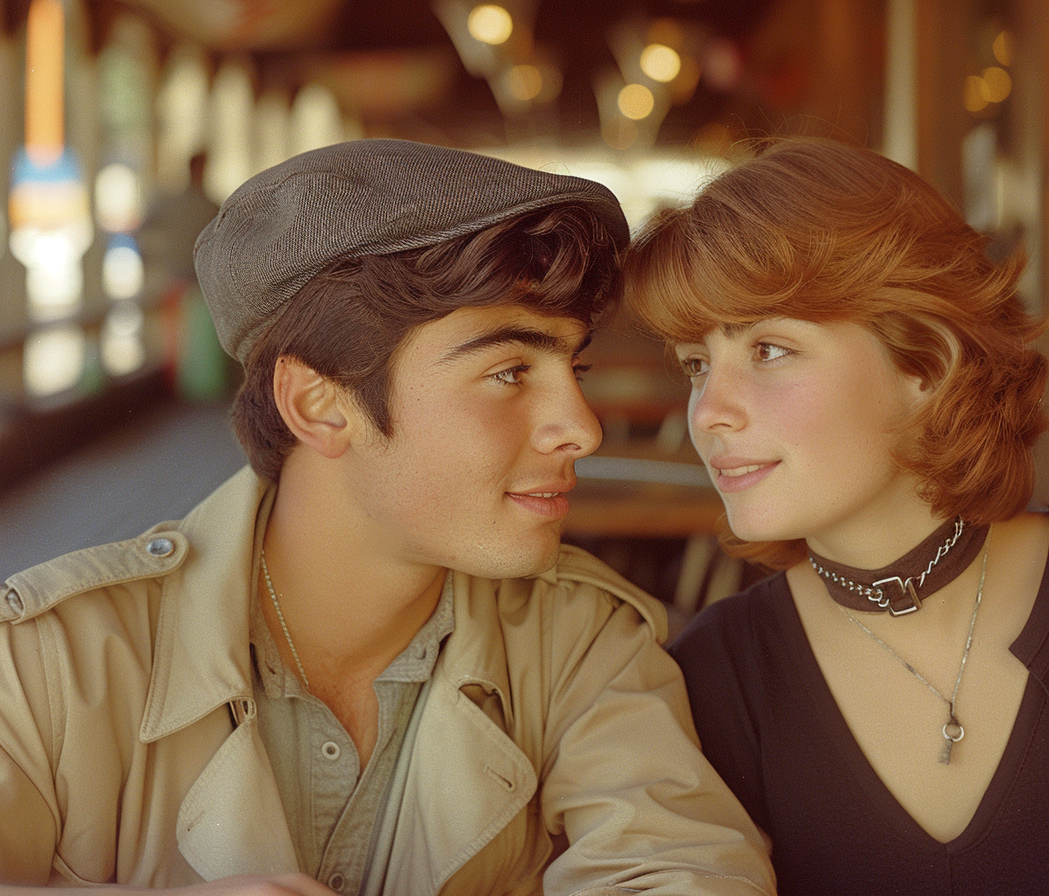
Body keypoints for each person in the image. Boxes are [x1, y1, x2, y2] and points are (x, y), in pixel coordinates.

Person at [0, 139, 773, 895]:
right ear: (319, 404)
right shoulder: (52, 665)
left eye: (573, 369)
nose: (582, 428)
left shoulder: (581, 643)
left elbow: (682, 868)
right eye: (509, 372)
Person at [621, 137, 1049, 896]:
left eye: (768, 349)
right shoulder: (713, 676)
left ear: (925, 362)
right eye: (697, 364)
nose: (710, 413)